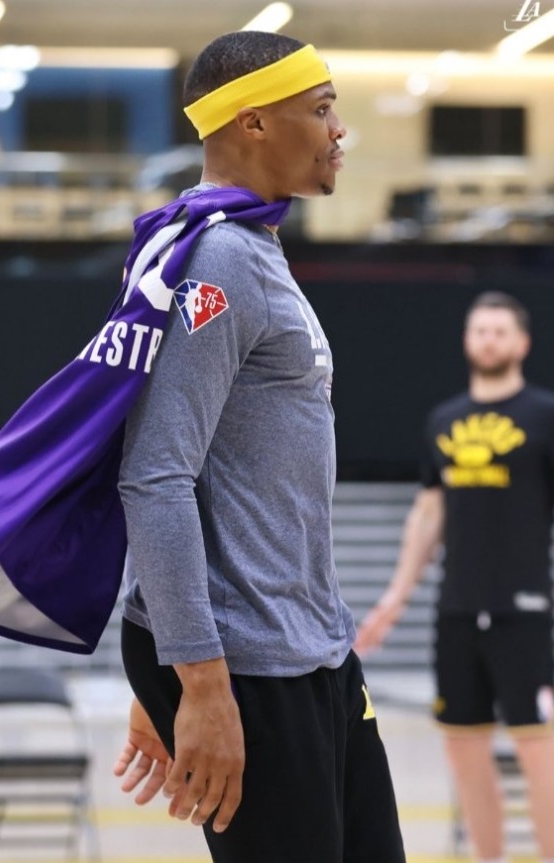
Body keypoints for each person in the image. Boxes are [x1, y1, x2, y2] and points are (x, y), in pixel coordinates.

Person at [112, 30, 406, 863]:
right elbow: (156, 474)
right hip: (248, 664)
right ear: (251, 124)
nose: (338, 130)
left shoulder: (252, 247)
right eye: (319, 110)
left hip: (314, 646)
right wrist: (193, 679)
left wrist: (164, 665)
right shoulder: (218, 261)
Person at [356, 292, 554, 863]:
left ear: (522, 343)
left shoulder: (544, 417)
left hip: (526, 613)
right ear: (466, 341)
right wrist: (394, 598)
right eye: (479, 330)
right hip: (458, 611)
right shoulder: (444, 421)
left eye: (499, 331)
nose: (487, 340)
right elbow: (429, 514)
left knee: (537, 751)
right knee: (465, 752)